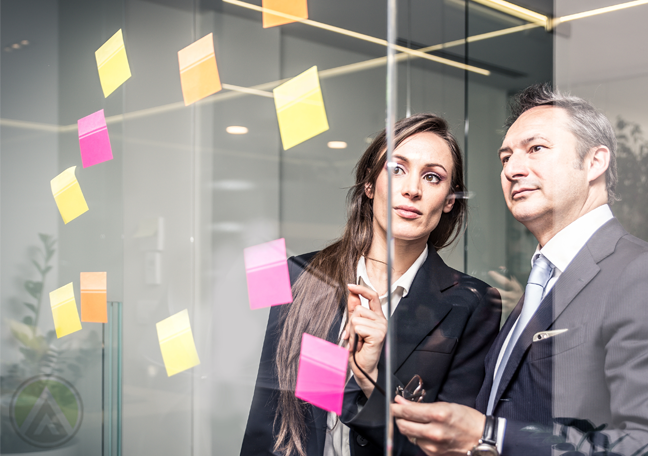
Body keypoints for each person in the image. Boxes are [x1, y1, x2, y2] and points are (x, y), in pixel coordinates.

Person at [391, 84, 648, 456]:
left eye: (536, 149)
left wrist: (492, 438)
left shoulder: (636, 273)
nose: (512, 169)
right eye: (505, 157)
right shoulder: (542, 284)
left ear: (595, 162)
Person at [240, 114, 501, 456]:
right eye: (396, 169)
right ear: (368, 184)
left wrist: (371, 380)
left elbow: (447, 446)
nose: (412, 189)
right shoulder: (300, 275)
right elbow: (269, 415)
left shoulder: (475, 304)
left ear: (449, 200)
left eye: (433, 177)